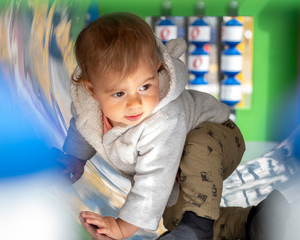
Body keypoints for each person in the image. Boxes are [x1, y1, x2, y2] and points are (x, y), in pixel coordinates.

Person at [54, 12, 290, 240]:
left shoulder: (164, 118)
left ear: (156, 70)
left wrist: (123, 227)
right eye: (119, 93)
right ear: (92, 91)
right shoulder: (88, 107)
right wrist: (75, 157)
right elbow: (84, 128)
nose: (136, 103)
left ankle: (198, 227)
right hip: (176, 168)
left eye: (145, 86)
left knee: (196, 153)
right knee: (177, 219)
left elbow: (155, 176)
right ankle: (252, 222)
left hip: (217, 138)